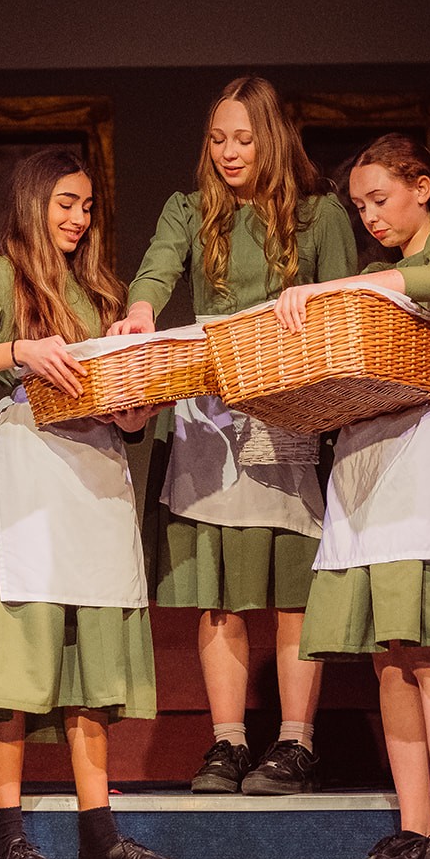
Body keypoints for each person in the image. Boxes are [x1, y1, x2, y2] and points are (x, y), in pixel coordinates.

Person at [275, 133, 430, 859]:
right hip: (367, 450)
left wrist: (334, 290)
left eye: (379, 199)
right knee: (389, 656)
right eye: (360, 207)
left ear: (423, 186)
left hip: (428, 444)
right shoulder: (370, 275)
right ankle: (414, 826)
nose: (371, 216)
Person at [0, 148, 175, 859]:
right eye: (66, 203)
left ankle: (100, 833)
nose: (78, 218)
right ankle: (10, 835)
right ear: (34, 202)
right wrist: (21, 351)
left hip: (96, 476)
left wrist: (137, 410)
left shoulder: (102, 289)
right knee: (18, 654)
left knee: (90, 657)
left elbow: (124, 399)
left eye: (87, 207)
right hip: (29, 474)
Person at [110, 75, 358, 795]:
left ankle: (295, 743)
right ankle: (228, 742)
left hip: (287, 414)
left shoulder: (318, 214)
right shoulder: (190, 209)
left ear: (271, 139)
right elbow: (156, 269)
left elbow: (344, 306)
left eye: (243, 138)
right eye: (218, 138)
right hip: (211, 418)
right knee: (217, 594)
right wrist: (141, 310)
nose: (228, 151)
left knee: (292, 591)